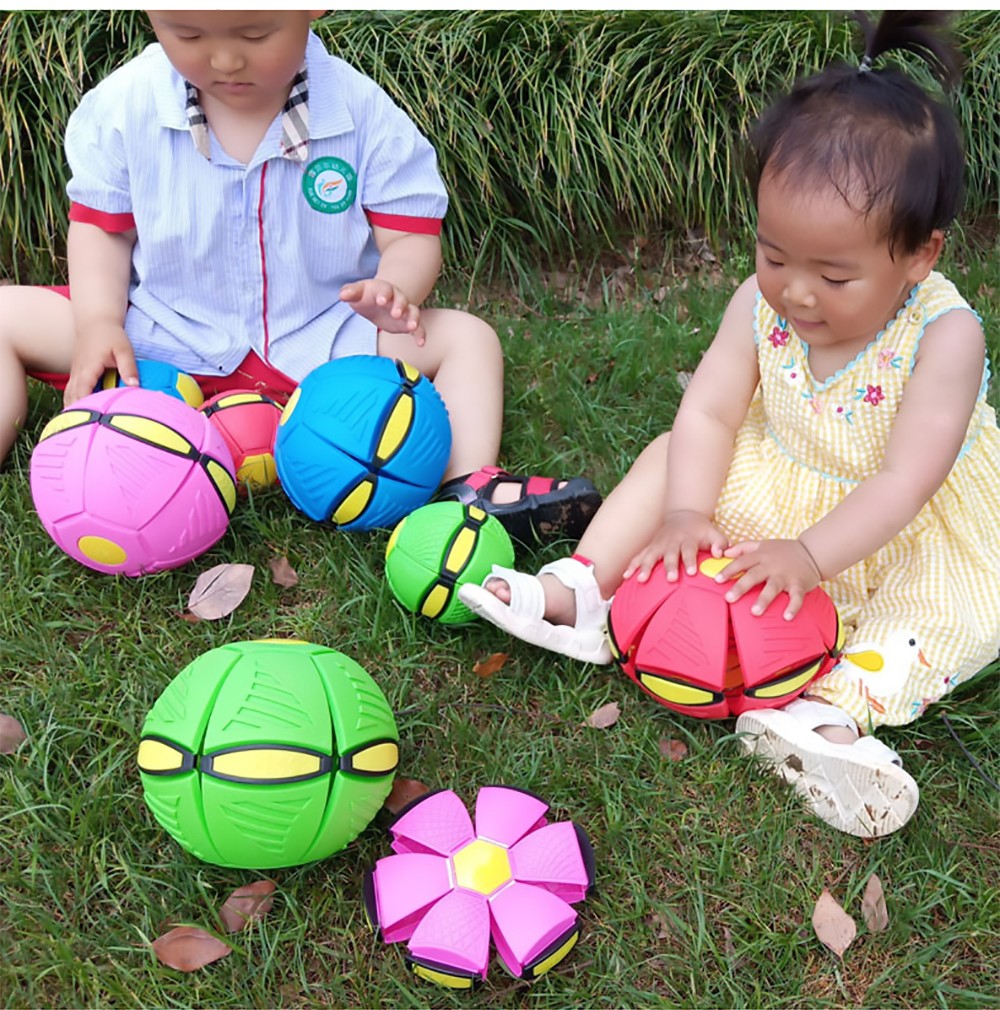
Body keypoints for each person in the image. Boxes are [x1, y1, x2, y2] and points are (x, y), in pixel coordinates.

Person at [460, 11, 1000, 838]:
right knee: (670, 454)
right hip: (778, 477)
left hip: (903, 521)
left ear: (920, 256)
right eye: (774, 255)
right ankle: (585, 589)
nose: (797, 292)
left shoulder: (944, 336)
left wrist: (809, 556)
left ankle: (830, 713)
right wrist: (685, 511)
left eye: (834, 275)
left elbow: (905, 482)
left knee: (953, 605)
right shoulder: (760, 303)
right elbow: (711, 409)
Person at [0, 9, 601, 546]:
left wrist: (395, 286)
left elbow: (411, 234)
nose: (225, 59)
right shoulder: (125, 105)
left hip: (325, 343)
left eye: (255, 33)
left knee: (469, 338)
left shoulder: (362, 113)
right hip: (164, 333)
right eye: (187, 34)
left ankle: (466, 491)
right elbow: (102, 229)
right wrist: (99, 320)